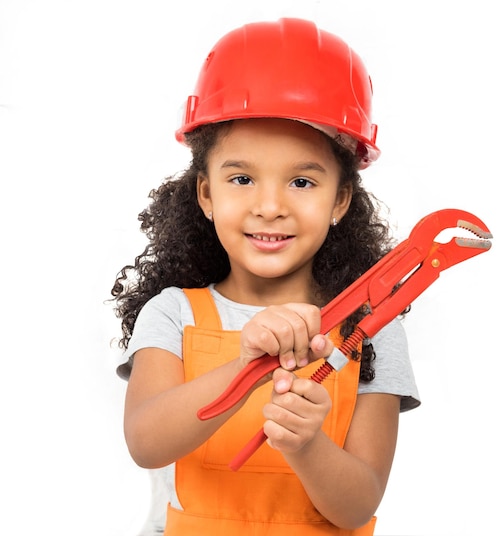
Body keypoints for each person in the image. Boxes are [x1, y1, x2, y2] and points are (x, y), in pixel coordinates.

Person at [111, 17, 420, 536]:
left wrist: (306, 443)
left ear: (340, 200)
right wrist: (244, 364)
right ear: (206, 194)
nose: (270, 206)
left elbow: (356, 506)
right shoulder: (172, 313)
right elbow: (146, 442)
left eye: (302, 181)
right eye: (241, 178)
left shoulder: (373, 329)